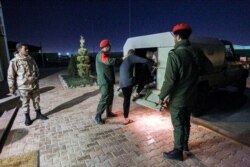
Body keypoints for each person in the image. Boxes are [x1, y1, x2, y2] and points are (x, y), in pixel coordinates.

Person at [158, 23, 200, 161]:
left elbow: (169, 81)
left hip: (178, 98)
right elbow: (207, 69)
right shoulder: (196, 52)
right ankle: (185, 146)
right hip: (192, 96)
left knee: (178, 124)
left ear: (177, 37)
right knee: (186, 121)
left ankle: (177, 151)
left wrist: (161, 96)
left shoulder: (175, 54)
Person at [7, 43, 48, 126]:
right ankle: (27, 118)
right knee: (25, 102)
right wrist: (11, 86)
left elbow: (36, 69)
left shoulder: (31, 59)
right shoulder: (14, 61)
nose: (27, 50)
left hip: (34, 84)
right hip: (23, 86)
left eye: (27, 48)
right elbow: (10, 75)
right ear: (19, 50)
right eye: (25, 48)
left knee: (36, 100)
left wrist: (36, 77)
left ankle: (38, 114)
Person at [119, 49, 151, 125]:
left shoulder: (124, 59)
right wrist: (152, 63)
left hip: (122, 84)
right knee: (142, 79)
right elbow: (144, 60)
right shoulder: (131, 57)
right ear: (133, 54)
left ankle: (126, 118)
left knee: (126, 100)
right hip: (128, 83)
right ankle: (136, 93)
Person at [95, 39, 122, 124]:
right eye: (109, 46)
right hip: (104, 81)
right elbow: (109, 61)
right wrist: (121, 59)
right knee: (105, 97)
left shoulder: (105, 54)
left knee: (110, 96)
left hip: (108, 81)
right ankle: (98, 116)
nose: (110, 47)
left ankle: (109, 112)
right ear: (105, 47)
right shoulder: (101, 55)